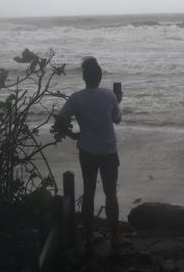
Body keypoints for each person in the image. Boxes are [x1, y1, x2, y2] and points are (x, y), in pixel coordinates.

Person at [54, 57, 129, 248]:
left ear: (84, 77)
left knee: (88, 193)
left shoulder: (76, 97)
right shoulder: (109, 95)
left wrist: (72, 135)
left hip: (87, 150)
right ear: (100, 76)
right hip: (108, 150)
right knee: (111, 194)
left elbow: (60, 121)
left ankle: (88, 236)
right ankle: (115, 236)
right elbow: (117, 120)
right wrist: (117, 101)